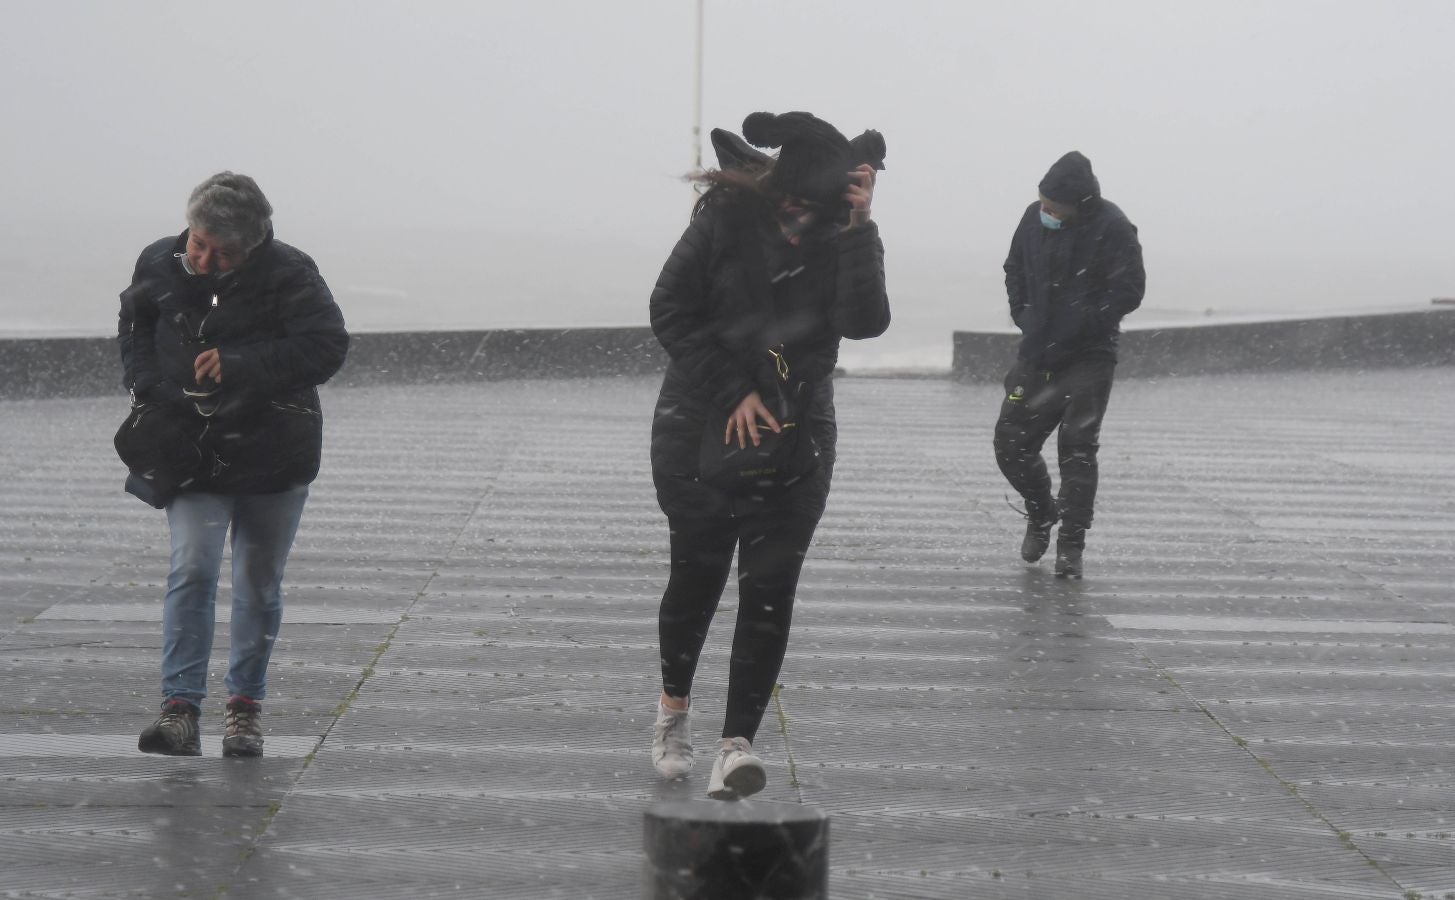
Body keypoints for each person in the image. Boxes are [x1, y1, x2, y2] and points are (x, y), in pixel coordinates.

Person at [647, 111, 890, 799]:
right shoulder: (725, 217)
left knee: (768, 586)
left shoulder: (841, 231)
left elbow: (863, 322)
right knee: (696, 578)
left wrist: (859, 230)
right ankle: (672, 713)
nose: (795, 215)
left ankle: (736, 745)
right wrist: (731, 391)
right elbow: (669, 309)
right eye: (789, 200)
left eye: (810, 207)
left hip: (798, 429)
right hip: (697, 424)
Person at [117, 172, 349, 757]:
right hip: (189, 447)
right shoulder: (158, 260)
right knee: (192, 567)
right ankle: (179, 709)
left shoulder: (291, 272)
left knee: (256, 584)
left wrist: (242, 363)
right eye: (198, 244)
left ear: (256, 242)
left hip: (275, 450)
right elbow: (135, 325)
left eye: (223, 253)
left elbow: (327, 347)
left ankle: (244, 709)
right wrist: (145, 387)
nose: (204, 259)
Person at [996, 151, 1145, 578]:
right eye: (1041, 202)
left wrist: (1083, 320)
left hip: (1089, 356)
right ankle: (1041, 512)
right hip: (1038, 350)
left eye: (1052, 207)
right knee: (1011, 443)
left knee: (1077, 449)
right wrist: (1023, 313)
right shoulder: (1032, 218)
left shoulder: (1113, 227)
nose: (1044, 211)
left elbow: (1130, 290)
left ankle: (1071, 545)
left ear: (1080, 204)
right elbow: (1013, 268)